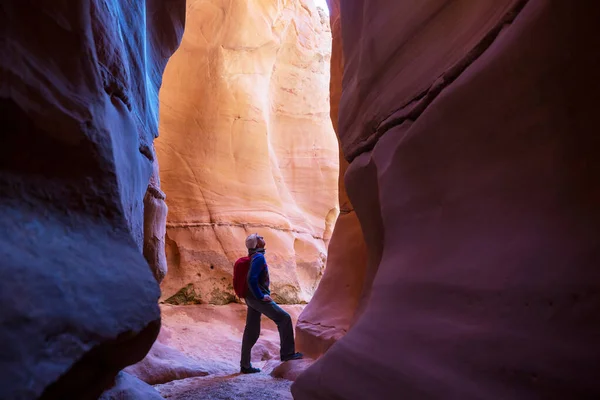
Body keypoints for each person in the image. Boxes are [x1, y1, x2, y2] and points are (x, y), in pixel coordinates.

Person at [240, 233, 303, 374]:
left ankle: (245, 365)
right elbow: (251, 279)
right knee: (284, 318)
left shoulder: (253, 256)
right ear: (257, 244)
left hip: (250, 298)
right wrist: (261, 296)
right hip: (257, 298)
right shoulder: (259, 257)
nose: (262, 237)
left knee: (251, 331)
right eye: (260, 237)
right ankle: (287, 354)